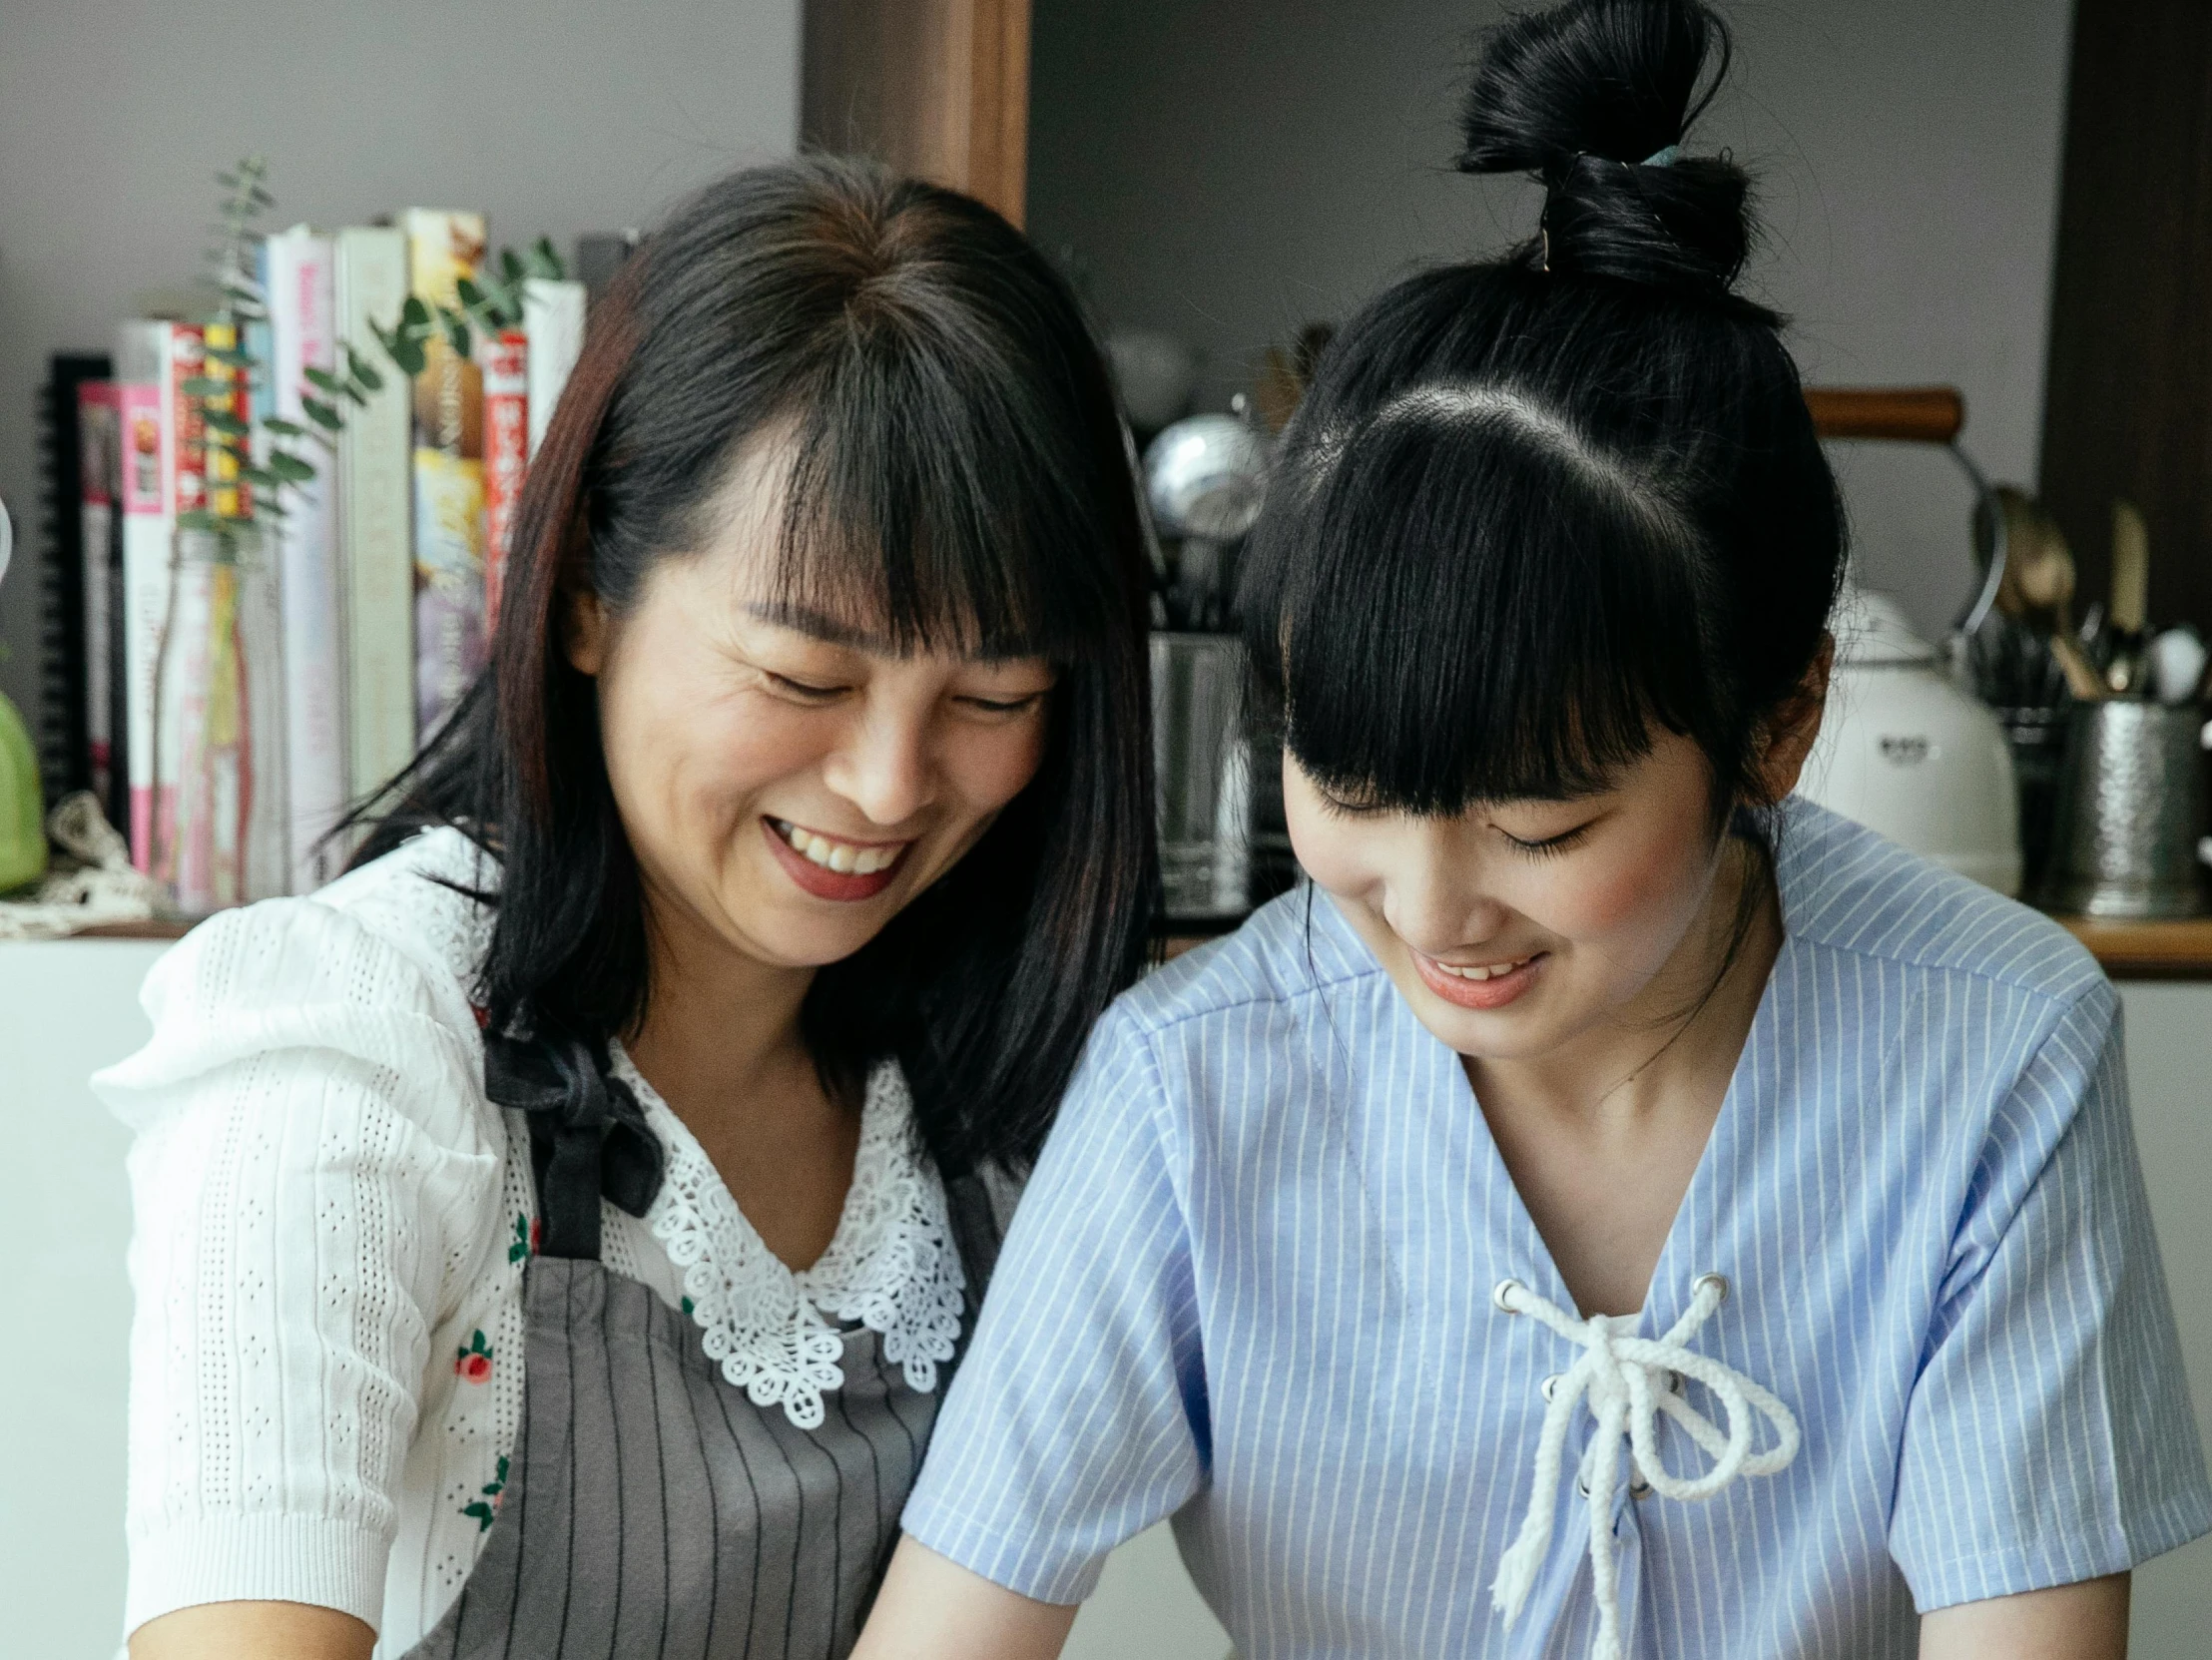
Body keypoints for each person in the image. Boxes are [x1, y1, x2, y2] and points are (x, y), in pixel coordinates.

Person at [848, 3, 2212, 1656]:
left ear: (1777, 725)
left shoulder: (1992, 1053)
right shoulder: (1192, 1082)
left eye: (1544, 823)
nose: (1430, 909)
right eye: (1348, 788)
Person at [96, 156, 1156, 1660]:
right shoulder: (354, 1046)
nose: (887, 782)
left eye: (996, 693)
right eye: (804, 676)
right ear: (589, 592)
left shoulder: (1004, 1094)